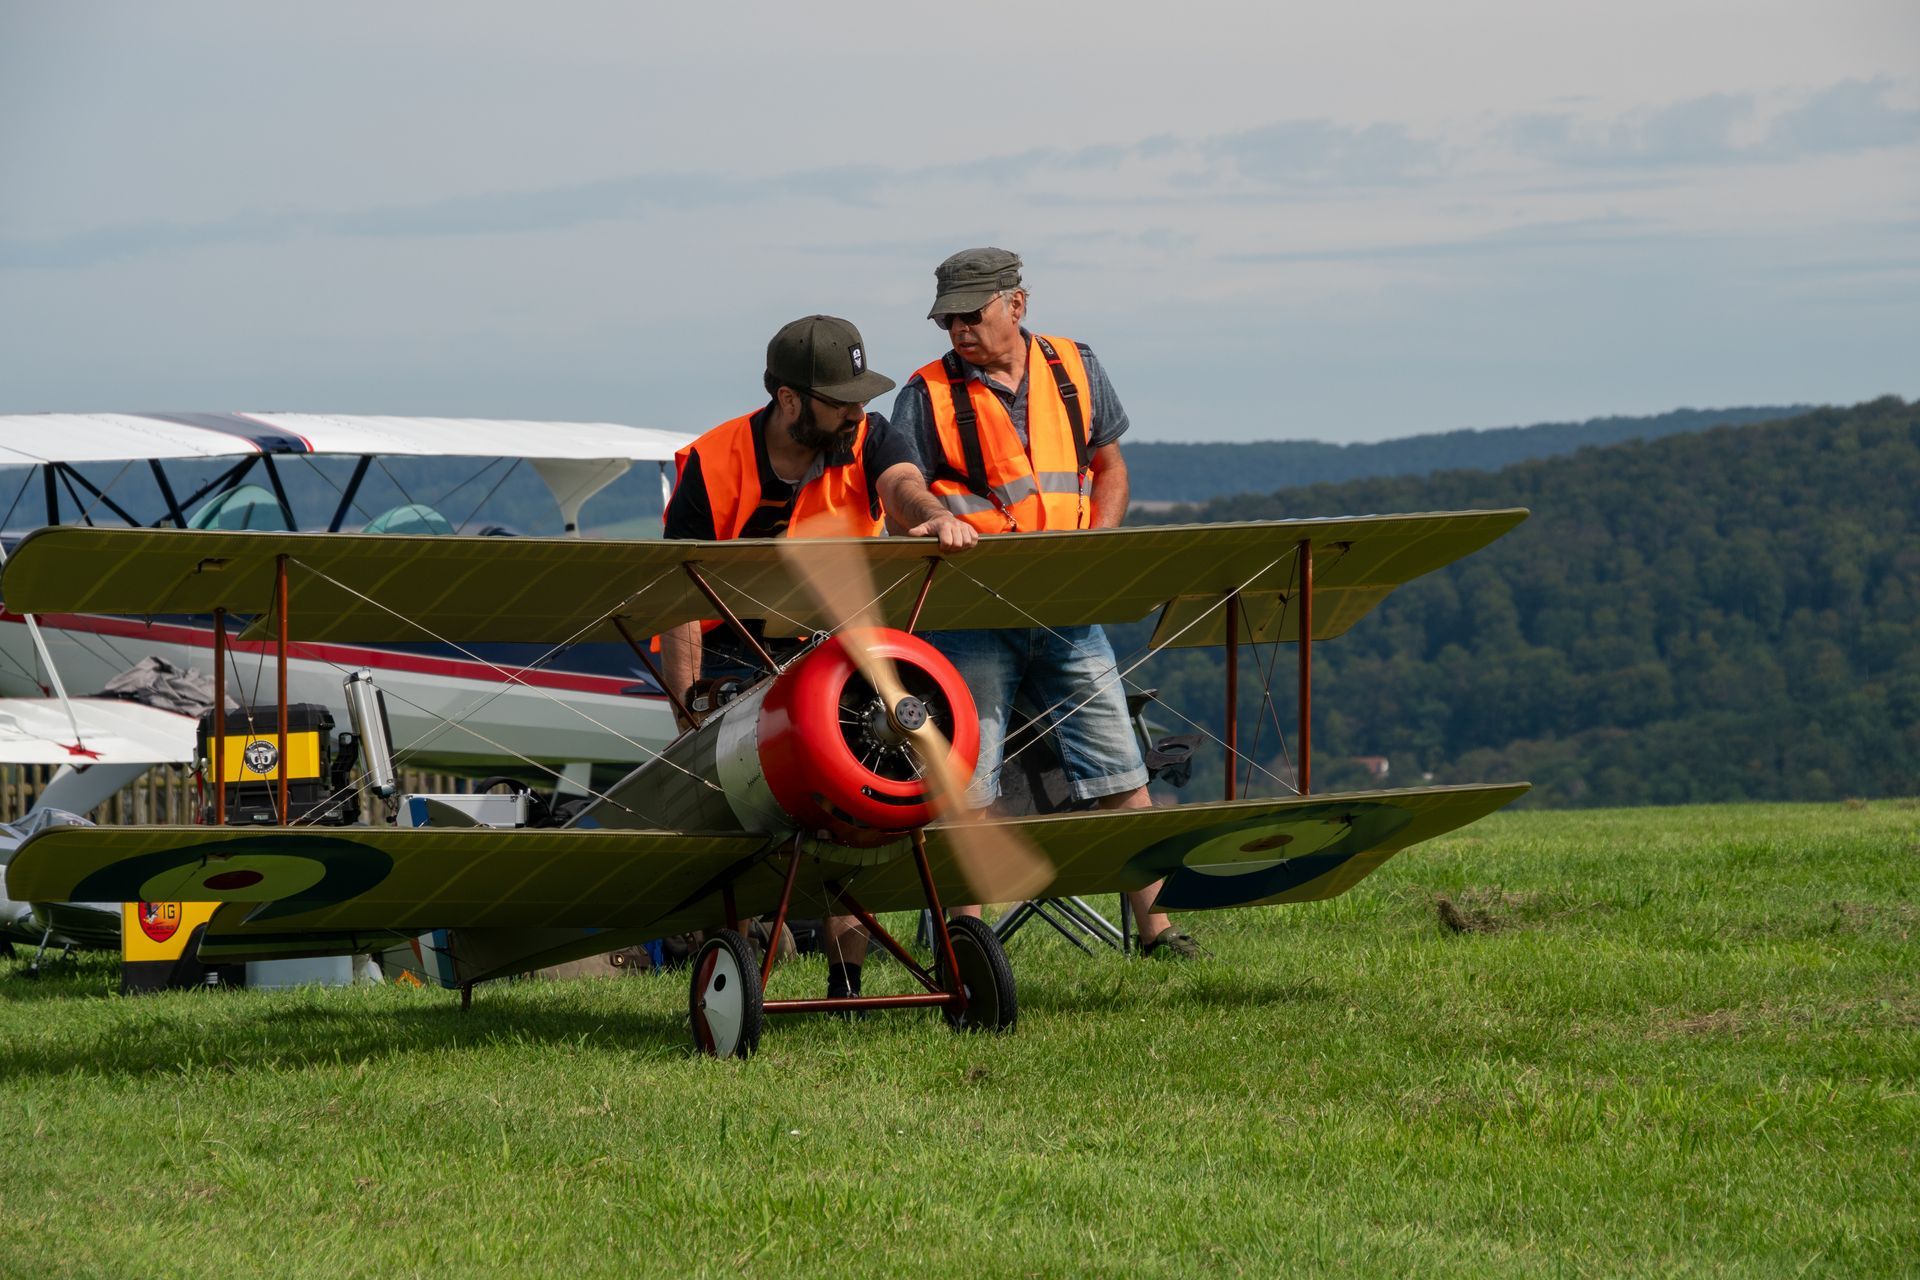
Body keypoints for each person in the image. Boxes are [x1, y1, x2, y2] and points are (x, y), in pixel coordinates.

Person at [873, 247, 1201, 959]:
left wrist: (1101, 545)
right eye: (948, 319)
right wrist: (929, 516)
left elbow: (1108, 462)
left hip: (1067, 609)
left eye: (972, 314)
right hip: (972, 618)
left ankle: (1162, 934)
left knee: (1123, 775)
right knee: (972, 787)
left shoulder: (1076, 365)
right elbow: (897, 480)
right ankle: (967, 944)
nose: (958, 330)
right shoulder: (922, 393)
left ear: (1016, 305)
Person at [660, 313, 897, 1000]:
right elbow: (679, 597)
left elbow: (904, 483)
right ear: (790, 400)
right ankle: (733, 966)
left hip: (835, 650)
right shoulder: (713, 461)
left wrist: (930, 515)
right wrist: (688, 716)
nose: (858, 409)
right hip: (734, 653)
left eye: (861, 394)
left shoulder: (869, 440)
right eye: (841, 397)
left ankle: (847, 982)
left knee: (863, 799)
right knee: (738, 826)